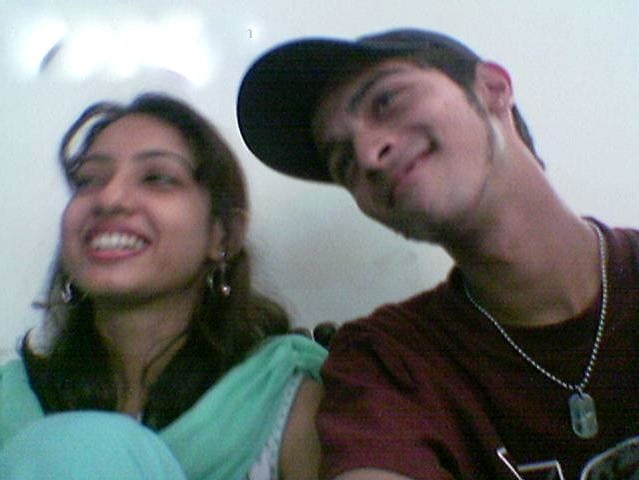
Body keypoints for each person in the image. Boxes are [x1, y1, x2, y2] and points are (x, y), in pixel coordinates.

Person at [236, 29, 639, 479]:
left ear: (492, 89)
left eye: (387, 101)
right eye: (342, 160)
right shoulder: (387, 362)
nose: (367, 155)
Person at [0, 93, 327, 480]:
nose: (109, 198)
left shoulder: (284, 401)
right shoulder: (12, 401)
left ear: (224, 235)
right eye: (88, 180)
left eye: (157, 178)